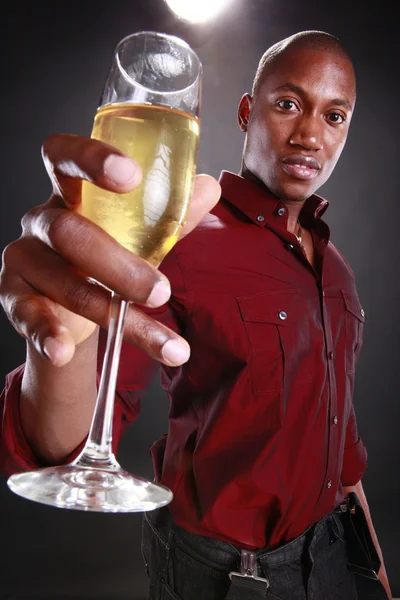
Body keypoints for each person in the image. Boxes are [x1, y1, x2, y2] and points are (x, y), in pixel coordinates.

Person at [0, 29, 392, 600]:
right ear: (245, 112)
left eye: (334, 117)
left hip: (333, 559)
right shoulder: (177, 243)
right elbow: (66, 442)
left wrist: (376, 573)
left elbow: (343, 450)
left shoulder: (337, 269)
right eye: (288, 104)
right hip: (227, 576)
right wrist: (64, 341)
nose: (309, 134)